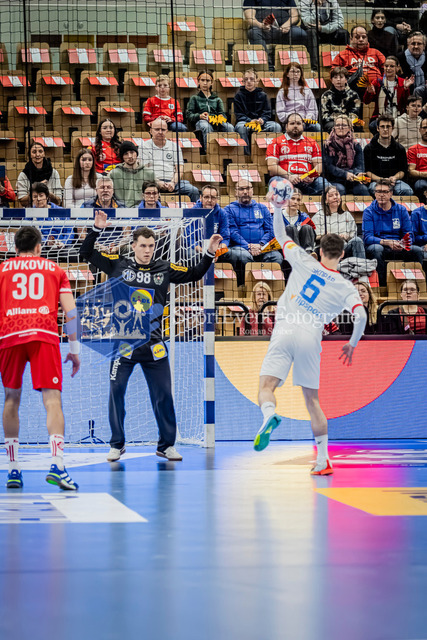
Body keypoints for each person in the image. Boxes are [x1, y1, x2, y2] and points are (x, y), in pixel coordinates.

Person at [79, 211, 222, 462]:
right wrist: (96, 230)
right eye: (143, 246)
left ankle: (166, 446)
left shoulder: (163, 268)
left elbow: (194, 273)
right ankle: (116, 444)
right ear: (133, 246)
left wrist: (209, 253)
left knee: (164, 395)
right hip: (124, 344)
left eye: (151, 246)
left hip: (154, 344)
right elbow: (87, 253)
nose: (148, 250)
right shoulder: (118, 264)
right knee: (116, 392)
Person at [254, 198, 366, 476]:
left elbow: (280, 235)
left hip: (284, 330)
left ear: (319, 251)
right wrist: (352, 344)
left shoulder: (304, 260)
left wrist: (277, 208)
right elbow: (361, 316)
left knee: (266, 386)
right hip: (310, 337)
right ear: (342, 255)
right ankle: (323, 460)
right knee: (312, 402)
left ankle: (269, 415)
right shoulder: (345, 286)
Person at [0, 226, 80, 490]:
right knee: (52, 400)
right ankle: (57, 465)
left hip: (9, 336)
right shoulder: (54, 270)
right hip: (43, 336)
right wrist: (74, 349)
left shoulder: (2, 270)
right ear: (38, 247)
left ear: (15, 248)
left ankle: (13, 469)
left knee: (11, 399)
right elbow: (71, 313)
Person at [362, 179, 424, 285]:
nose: (381, 195)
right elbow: (367, 237)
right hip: (380, 245)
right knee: (376, 249)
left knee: (417, 250)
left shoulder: (401, 210)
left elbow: (409, 234)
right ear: (375, 193)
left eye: (385, 192)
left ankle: (416, 285)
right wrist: (387, 242)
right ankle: (381, 285)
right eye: (378, 191)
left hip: (399, 245)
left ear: (391, 193)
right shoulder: (369, 211)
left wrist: (402, 243)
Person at [222, 179, 283, 286]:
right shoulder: (229, 209)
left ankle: (265, 286)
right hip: (240, 247)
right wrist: (248, 246)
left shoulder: (262, 208)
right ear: (236, 192)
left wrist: (261, 245)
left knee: (276, 257)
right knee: (243, 256)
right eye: (241, 189)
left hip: (263, 248)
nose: (245, 192)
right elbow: (232, 232)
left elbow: (270, 230)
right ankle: (245, 286)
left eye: (248, 188)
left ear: (252, 190)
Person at [266, 112, 330, 196]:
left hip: (308, 180)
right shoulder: (275, 142)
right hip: (285, 179)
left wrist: (311, 175)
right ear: (286, 126)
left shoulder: (312, 142)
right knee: (275, 182)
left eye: (298, 123)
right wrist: (289, 176)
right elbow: (271, 166)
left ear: (303, 126)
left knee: (325, 185)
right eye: (292, 123)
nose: (295, 126)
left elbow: (319, 165)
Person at [141, 117, 199, 202]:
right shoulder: (144, 146)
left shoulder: (174, 146)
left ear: (167, 131)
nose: (160, 132)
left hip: (173, 181)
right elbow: (144, 169)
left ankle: (195, 211)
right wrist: (157, 182)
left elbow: (180, 168)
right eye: (157, 129)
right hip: (151, 182)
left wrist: (173, 182)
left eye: (163, 130)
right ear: (151, 131)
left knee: (193, 191)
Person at [243, 0, 308, 71]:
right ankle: (268, 67)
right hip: (262, 29)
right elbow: (249, 17)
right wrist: (261, 25)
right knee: (253, 32)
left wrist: (288, 24)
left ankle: (292, 67)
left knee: (300, 33)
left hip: (285, 29)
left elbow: (295, 15)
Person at [233, 68, 281, 155]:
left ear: (257, 81)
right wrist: (250, 121)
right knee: (240, 127)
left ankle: (272, 153)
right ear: (243, 81)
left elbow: (267, 112)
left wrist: (262, 119)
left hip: (261, 122)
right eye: (246, 79)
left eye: (251, 79)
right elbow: (239, 114)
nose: (249, 81)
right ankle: (246, 155)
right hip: (246, 122)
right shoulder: (238, 96)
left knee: (276, 126)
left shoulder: (263, 95)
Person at [364, 114, 413, 196]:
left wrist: (394, 178)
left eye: (388, 127)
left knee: (407, 191)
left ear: (393, 128)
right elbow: (367, 171)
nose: (385, 129)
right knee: (377, 190)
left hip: (395, 181)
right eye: (382, 126)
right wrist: (381, 179)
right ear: (377, 128)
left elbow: (402, 171)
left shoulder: (400, 148)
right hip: (376, 181)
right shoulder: (369, 148)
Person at [186, 70, 234, 153]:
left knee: (229, 127)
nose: (205, 83)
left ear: (212, 83)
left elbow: (223, 114)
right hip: (201, 121)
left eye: (207, 80)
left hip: (216, 121)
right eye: (202, 80)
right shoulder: (194, 98)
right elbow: (189, 115)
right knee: (206, 127)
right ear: (198, 81)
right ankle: (208, 151)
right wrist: (199, 116)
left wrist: (221, 117)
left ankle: (230, 151)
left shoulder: (217, 99)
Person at [312, 186, 366, 258]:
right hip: (328, 248)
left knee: (357, 240)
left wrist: (347, 236)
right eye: (331, 196)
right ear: (326, 201)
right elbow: (315, 238)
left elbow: (353, 236)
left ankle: (361, 264)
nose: (335, 197)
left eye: (337, 194)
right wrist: (324, 235)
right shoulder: (319, 216)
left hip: (344, 247)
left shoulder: (347, 215)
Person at [363, 56, 413, 134]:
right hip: (380, 118)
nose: (388, 68)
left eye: (392, 66)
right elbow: (366, 101)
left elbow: (407, 104)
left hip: (398, 118)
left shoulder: (403, 82)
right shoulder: (377, 82)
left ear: (397, 68)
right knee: (373, 126)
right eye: (386, 66)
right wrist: (369, 92)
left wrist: (406, 89)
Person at [332, 25, 385, 96]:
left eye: (364, 37)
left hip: (377, 89)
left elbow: (386, 70)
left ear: (367, 38)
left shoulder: (376, 53)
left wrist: (380, 82)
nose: (361, 39)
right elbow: (334, 73)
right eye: (357, 37)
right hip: (353, 91)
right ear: (351, 39)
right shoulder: (342, 55)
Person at [324, 115, 370, 196]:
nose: (340, 127)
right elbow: (329, 167)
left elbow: (360, 165)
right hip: (334, 180)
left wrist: (357, 173)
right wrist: (345, 174)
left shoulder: (356, 145)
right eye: (337, 125)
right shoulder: (328, 145)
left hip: (353, 180)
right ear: (334, 128)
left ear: (349, 128)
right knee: (340, 190)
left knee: (363, 190)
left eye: (344, 125)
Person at [299, 0, 349, 72]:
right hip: (312, 30)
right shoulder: (305, 1)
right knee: (311, 32)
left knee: (343, 33)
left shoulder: (332, 1)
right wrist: (316, 7)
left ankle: (345, 66)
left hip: (327, 28)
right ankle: (315, 69)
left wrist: (323, 28)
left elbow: (340, 22)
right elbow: (307, 22)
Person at [109, 141, 155, 207]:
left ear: (136, 153)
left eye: (132, 152)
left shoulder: (149, 173)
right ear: (122, 157)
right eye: (126, 154)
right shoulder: (113, 174)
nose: (130, 156)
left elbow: (156, 195)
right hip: (120, 210)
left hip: (143, 210)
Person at [16, 141, 62, 207]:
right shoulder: (23, 175)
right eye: (34, 152)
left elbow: (58, 201)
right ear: (30, 155)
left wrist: (45, 191)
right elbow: (23, 202)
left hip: (50, 210)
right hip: (31, 210)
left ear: (44, 154)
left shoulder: (54, 173)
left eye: (40, 151)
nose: (37, 154)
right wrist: (35, 188)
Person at [276, 63, 320, 131]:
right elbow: (281, 113)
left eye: (298, 72)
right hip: (289, 122)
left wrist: (308, 117)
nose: (296, 74)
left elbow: (313, 110)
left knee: (317, 127)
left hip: (305, 122)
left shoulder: (307, 91)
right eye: (293, 72)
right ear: (287, 74)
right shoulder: (282, 92)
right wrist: (293, 118)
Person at [31, 182, 74, 251]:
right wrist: (46, 242)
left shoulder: (60, 211)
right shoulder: (30, 214)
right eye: (35, 197)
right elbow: (31, 234)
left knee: (73, 253)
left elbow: (70, 231)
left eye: (41, 196)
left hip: (62, 246)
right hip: (42, 247)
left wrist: (63, 242)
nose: (38, 199)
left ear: (47, 197)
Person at [189, 185, 230, 255]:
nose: (209, 200)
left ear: (217, 199)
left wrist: (218, 250)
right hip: (197, 250)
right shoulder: (192, 213)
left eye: (213, 197)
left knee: (232, 254)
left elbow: (225, 237)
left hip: (216, 250)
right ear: (201, 198)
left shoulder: (222, 213)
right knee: (191, 254)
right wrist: (205, 252)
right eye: (206, 197)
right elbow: (189, 239)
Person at [321, 67, 362, 133]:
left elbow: (355, 113)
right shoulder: (326, 95)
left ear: (346, 79)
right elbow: (325, 115)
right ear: (331, 80)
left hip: (349, 121)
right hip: (332, 122)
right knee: (335, 126)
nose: (338, 80)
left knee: (358, 126)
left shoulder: (354, 95)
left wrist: (346, 121)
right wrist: (339, 121)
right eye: (335, 77)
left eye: (341, 77)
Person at [407, 117, 427, 201]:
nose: (426, 130)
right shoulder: (413, 149)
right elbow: (411, 171)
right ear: (420, 130)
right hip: (421, 180)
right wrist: (425, 174)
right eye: (424, 127)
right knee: (420, 185)